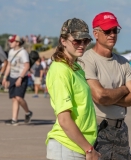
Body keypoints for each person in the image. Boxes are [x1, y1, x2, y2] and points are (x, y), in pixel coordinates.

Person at [80, 12, 131, 159]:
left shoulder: (123, 63)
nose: (112, 34)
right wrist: (124, 89)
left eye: (115, 30)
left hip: (120, 132)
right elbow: (100, 96)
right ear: (95, 33)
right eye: (107, 31)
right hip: (97, 129)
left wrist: (109, 97)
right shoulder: (87, 60)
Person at [45, 18, 100, 160]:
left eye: (86, 41)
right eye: (76, 41)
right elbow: (64, 119)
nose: (82, 45)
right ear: (63, 41)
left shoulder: (76, 68)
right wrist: (89, 150)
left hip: (79, 146)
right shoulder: (60, 69)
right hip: (68, 148)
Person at [2, 35, 33, 126]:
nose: (10, 43)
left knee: (19, 97)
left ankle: (28, 112)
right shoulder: (11, 51)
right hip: (12, 76)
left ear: (17, 42)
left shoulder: (23, 52)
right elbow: (8, 65)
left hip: (21, 77)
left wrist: (20, 78)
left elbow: (27, 66)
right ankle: (14, 119)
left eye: (12, 41)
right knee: (14, 98)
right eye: (9, 41)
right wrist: (4, 77)